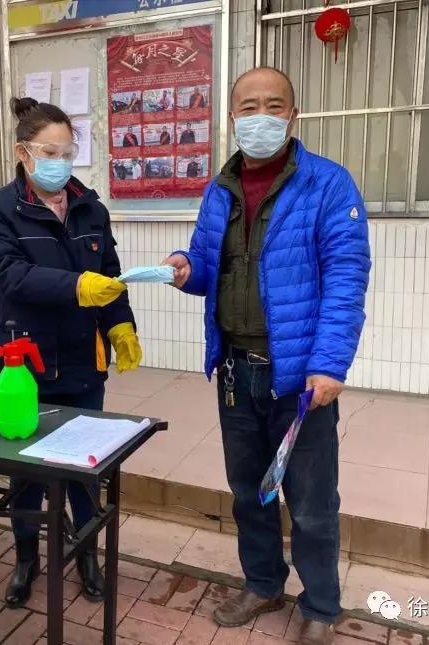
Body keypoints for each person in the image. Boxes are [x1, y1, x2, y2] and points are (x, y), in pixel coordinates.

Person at [162, 67, 371, 645]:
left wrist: (330, 363)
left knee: (311, 503)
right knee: (250, 493)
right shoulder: (220, 189)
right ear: (232, 118)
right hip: (235, 373)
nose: (260, 117)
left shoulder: (328, 184)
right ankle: (262, 583)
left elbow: (347, 276)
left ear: (293, 115)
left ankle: (321, 605)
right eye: (248, 107)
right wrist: (185, 268)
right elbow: (208, 265)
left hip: (299, 381)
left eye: (273, 106)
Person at [0, 97, 143, 609]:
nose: (60, 162)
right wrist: (76, 287)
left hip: (83, 363)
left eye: (68, 152)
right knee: (27, 473)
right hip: (22, 365)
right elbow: (6, 275)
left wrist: (121, 326)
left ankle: (87, 554)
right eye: (50, 152)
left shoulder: (90, 208)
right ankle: (26, 558)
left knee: (86, 470)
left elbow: (109, 278)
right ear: (23, 152)